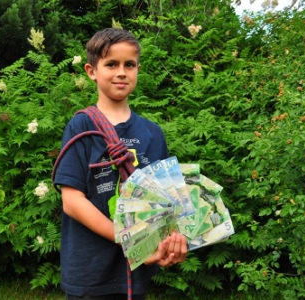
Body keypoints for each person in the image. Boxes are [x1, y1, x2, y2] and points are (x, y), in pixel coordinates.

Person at [53, 28, 187, 300]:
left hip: (134, 272)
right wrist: (127, 236)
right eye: (111, 64)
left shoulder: (153, 133)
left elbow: (167, 204)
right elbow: (72, 201)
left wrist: (172, 243)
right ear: (92, 71)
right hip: (88, 272)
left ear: (138, 69)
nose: (121, 72)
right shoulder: (81, 126)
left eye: (129, 64)